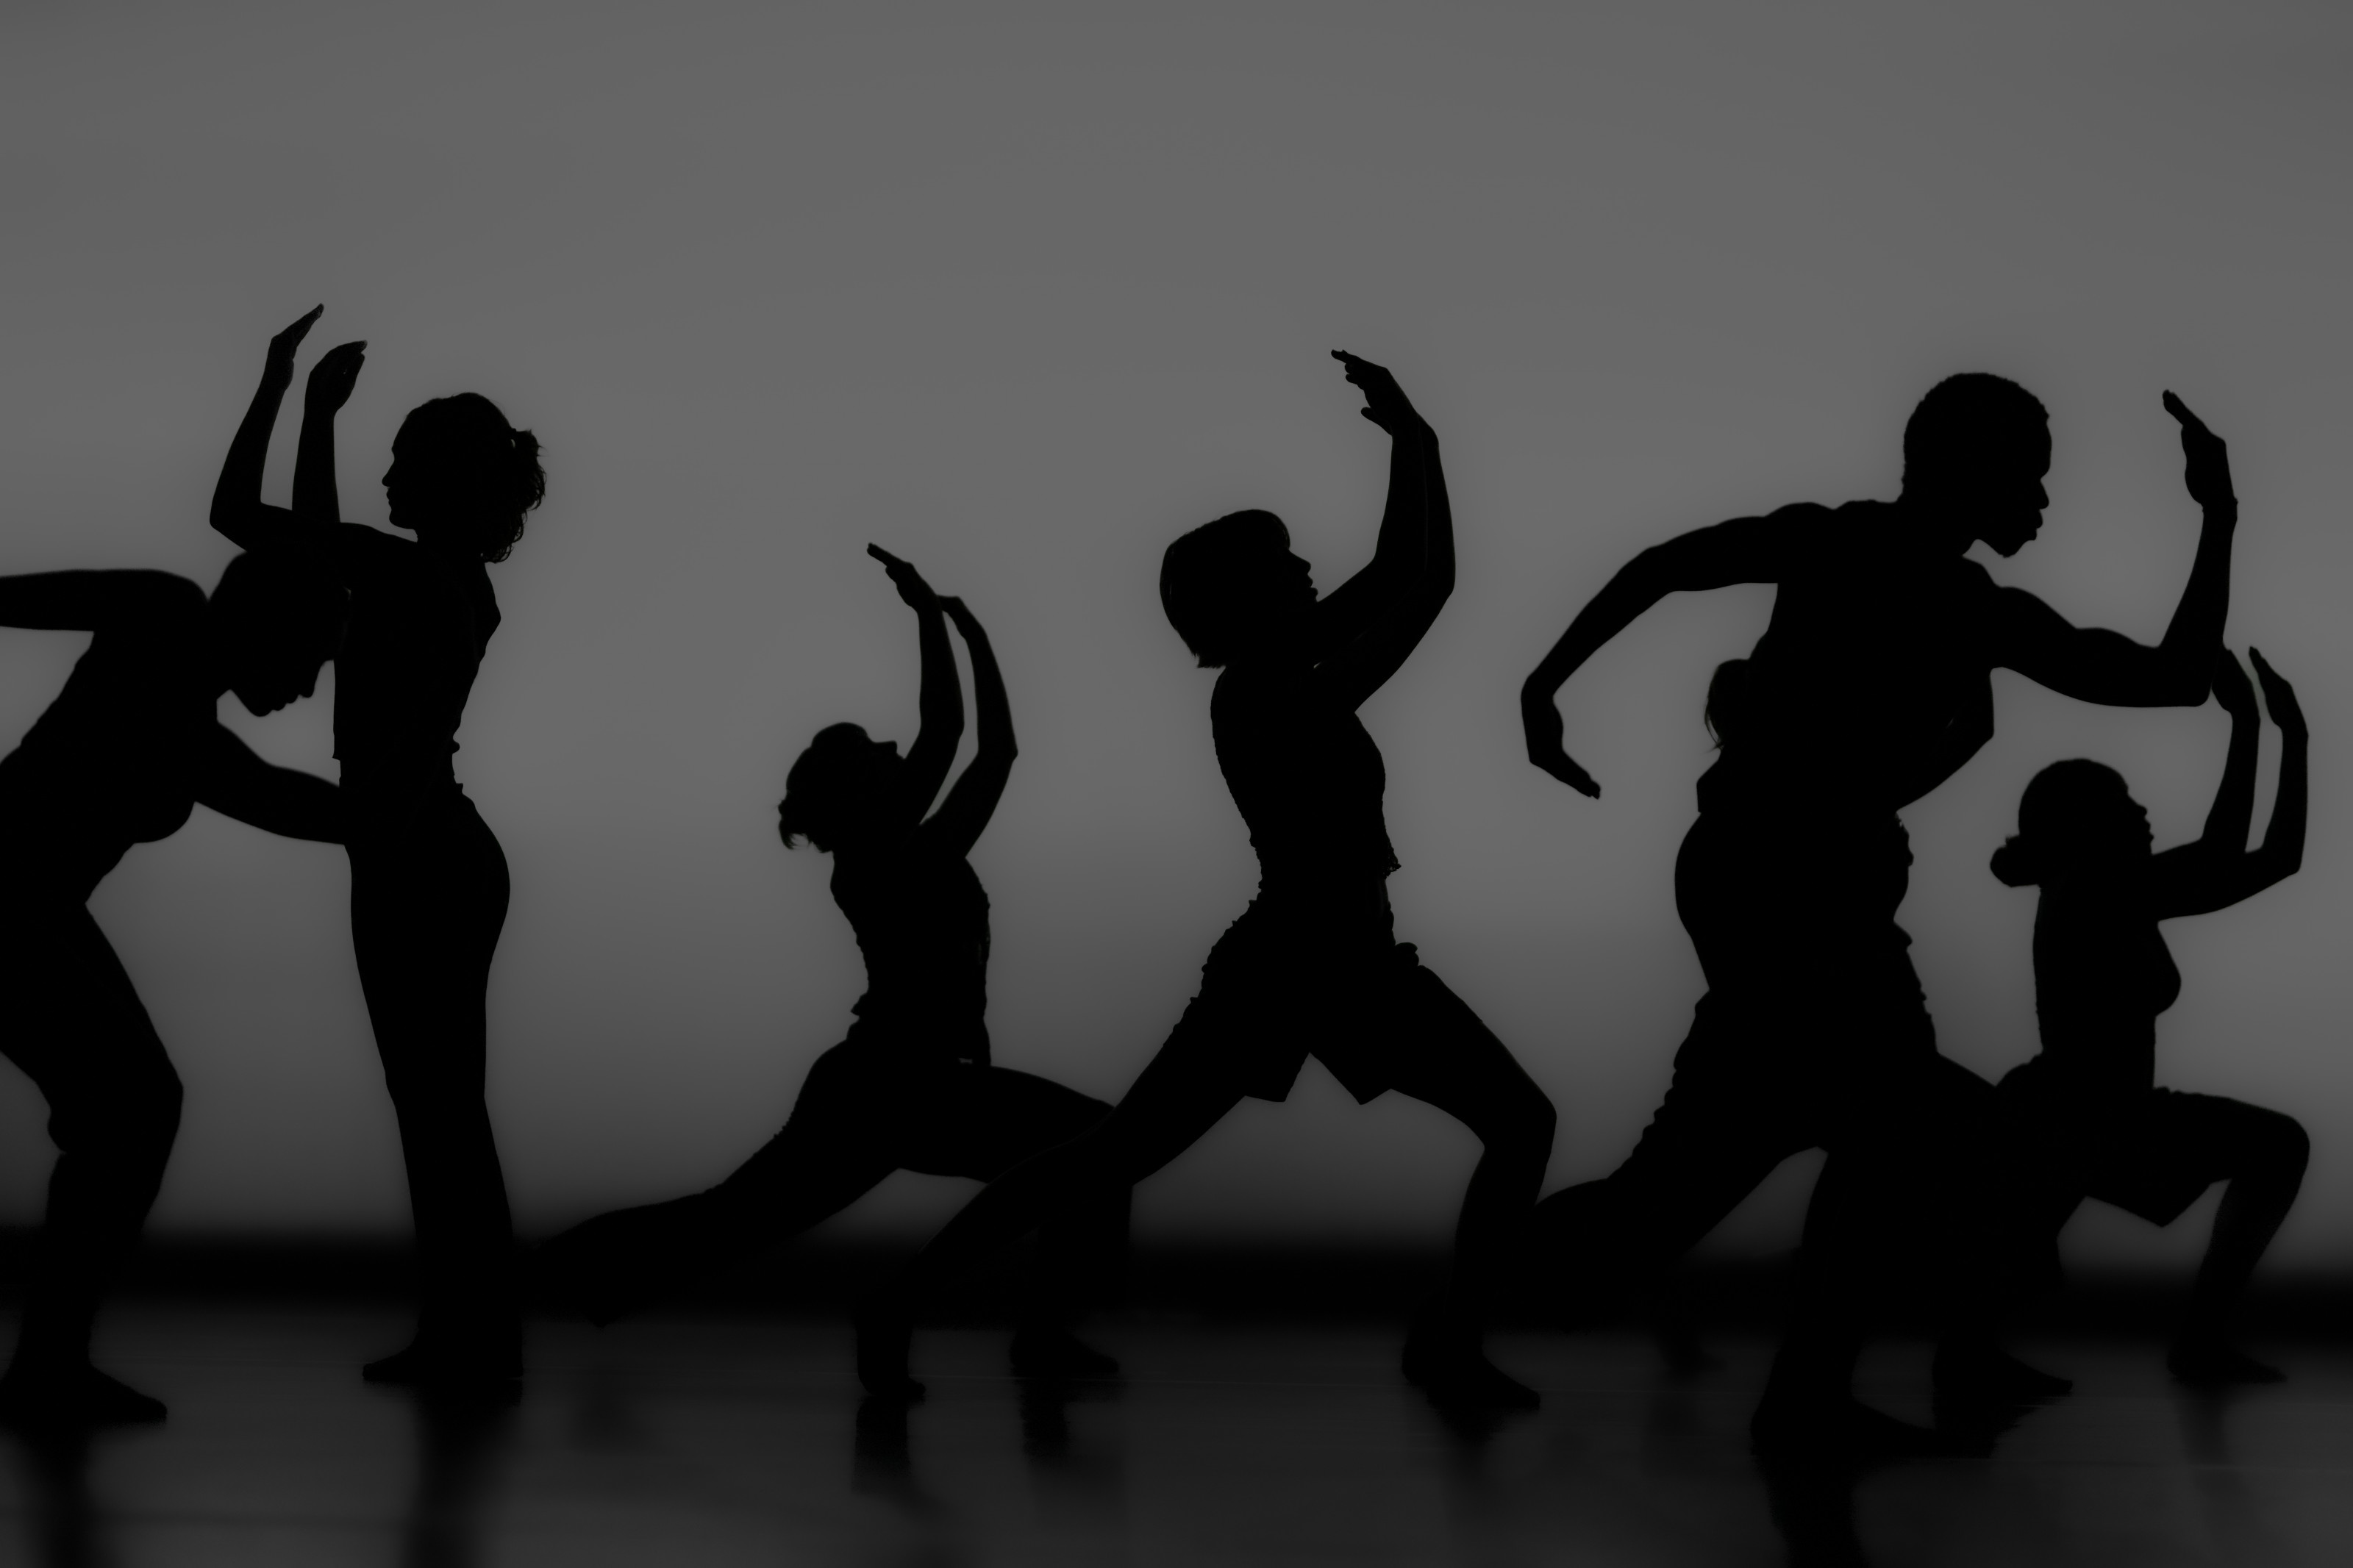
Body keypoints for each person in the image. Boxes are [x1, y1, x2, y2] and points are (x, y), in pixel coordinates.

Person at [1520, 376, 2240, 1453]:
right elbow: (1668, 568)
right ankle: (1798, 1393)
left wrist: (2217, 516)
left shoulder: (1971, 611)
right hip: (1780, 884)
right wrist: (1545, 683)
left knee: (1706, 1175)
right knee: (1879, 1124)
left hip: (1812, 885)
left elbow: (2175, 681)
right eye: (2029, 471)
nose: (2045, 496)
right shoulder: (1849, 553)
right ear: (1967, 468)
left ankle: (1778, 1379)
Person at [854, 352, 1557, 1408]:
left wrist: (1420, 445)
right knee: (1108, 1154)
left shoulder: (1295, 678)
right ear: (1239, 603)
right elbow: (1412, 577)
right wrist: (1415, 444)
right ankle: (899, 1303)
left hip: (1350, 961)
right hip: (1290, 968)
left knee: (1513, 1122)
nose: (1305, 571)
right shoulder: (1264, 694)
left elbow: (1423, 578)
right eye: (1283, 566)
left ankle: (1451, 1339)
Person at [536, 551, 1125, 1373]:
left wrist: (977, 636)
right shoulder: (872, 858)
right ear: (856, 792)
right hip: (888, 1083)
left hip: (903, 1082)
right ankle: (522, 1283)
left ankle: (1025, 1332)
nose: (893, 746)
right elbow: (947, 736)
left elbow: (996, 757)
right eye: (874, 750)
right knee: (1090, 1144)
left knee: (733, 1216)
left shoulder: (925, 851)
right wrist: (928, 619)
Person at [210, 307, 543, 1388]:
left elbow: (239, 518)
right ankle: (471, 1332)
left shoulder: (406, 577)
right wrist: (314, 409)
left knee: (439, 1108)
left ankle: (475, 1336)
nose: (387, 480)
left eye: (401, 463)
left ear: (442, 481)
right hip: (432, 846)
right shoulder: (454, 584)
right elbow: (321, 545)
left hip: (414, 851)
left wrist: (277, 385)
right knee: (443, 1106)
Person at [0, 553, 343, 1425]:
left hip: (36, 902)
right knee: (132, 1105)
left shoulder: (189, 706)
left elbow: (263, 791)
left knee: (134, 1106)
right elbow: (266, 794)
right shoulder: (162, 615)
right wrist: (405, 812)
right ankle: (49, 1365)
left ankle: (51, 1361)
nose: (309, 686)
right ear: (269, 622)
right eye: (312, 654)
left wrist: (399, 812)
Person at [1990, 648, 2308, 1386]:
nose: (2141, 811)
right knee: (2274, 1147)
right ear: (2086, 828)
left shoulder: (2118, 892)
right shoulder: (2094, 887)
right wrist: (2249, 726)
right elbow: (2227, 845)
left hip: (2094, 1109)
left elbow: (2274, 859)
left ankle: (2193, 1341)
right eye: (2122, 802)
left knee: (2021, 1256)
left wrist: (2288, 738)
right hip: (2074, 1111)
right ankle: (2193, 1342)